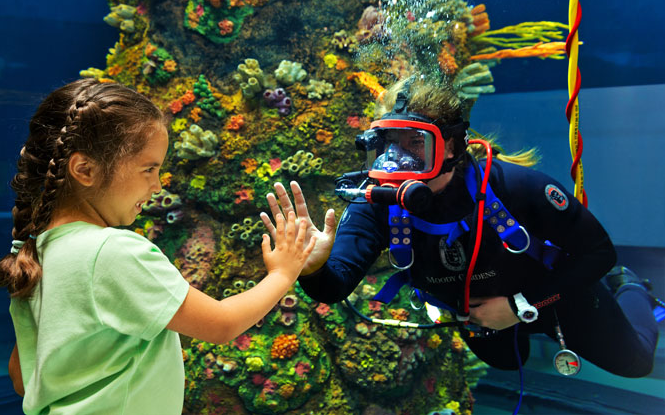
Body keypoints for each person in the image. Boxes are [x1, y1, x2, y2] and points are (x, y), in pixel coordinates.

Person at [260, 75, 659, 378]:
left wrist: (522, 307)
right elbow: (334, 286)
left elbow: (600, 253)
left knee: (636, 363)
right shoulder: (379, 205)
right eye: (389, 144)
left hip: (554, 295)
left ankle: (630, 286)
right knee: (509, 362)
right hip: (480, 315)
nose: (400, 162)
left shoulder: (516, 187)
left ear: (451, 146)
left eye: (416, 143)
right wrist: (311, 267)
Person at [0, 79, 315, 414]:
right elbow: (221, 324)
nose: (157, 184)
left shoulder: (37, 252)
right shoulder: (112, 252)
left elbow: (21, 377)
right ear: (84, 169)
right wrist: (282, 273)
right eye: (149, 169)